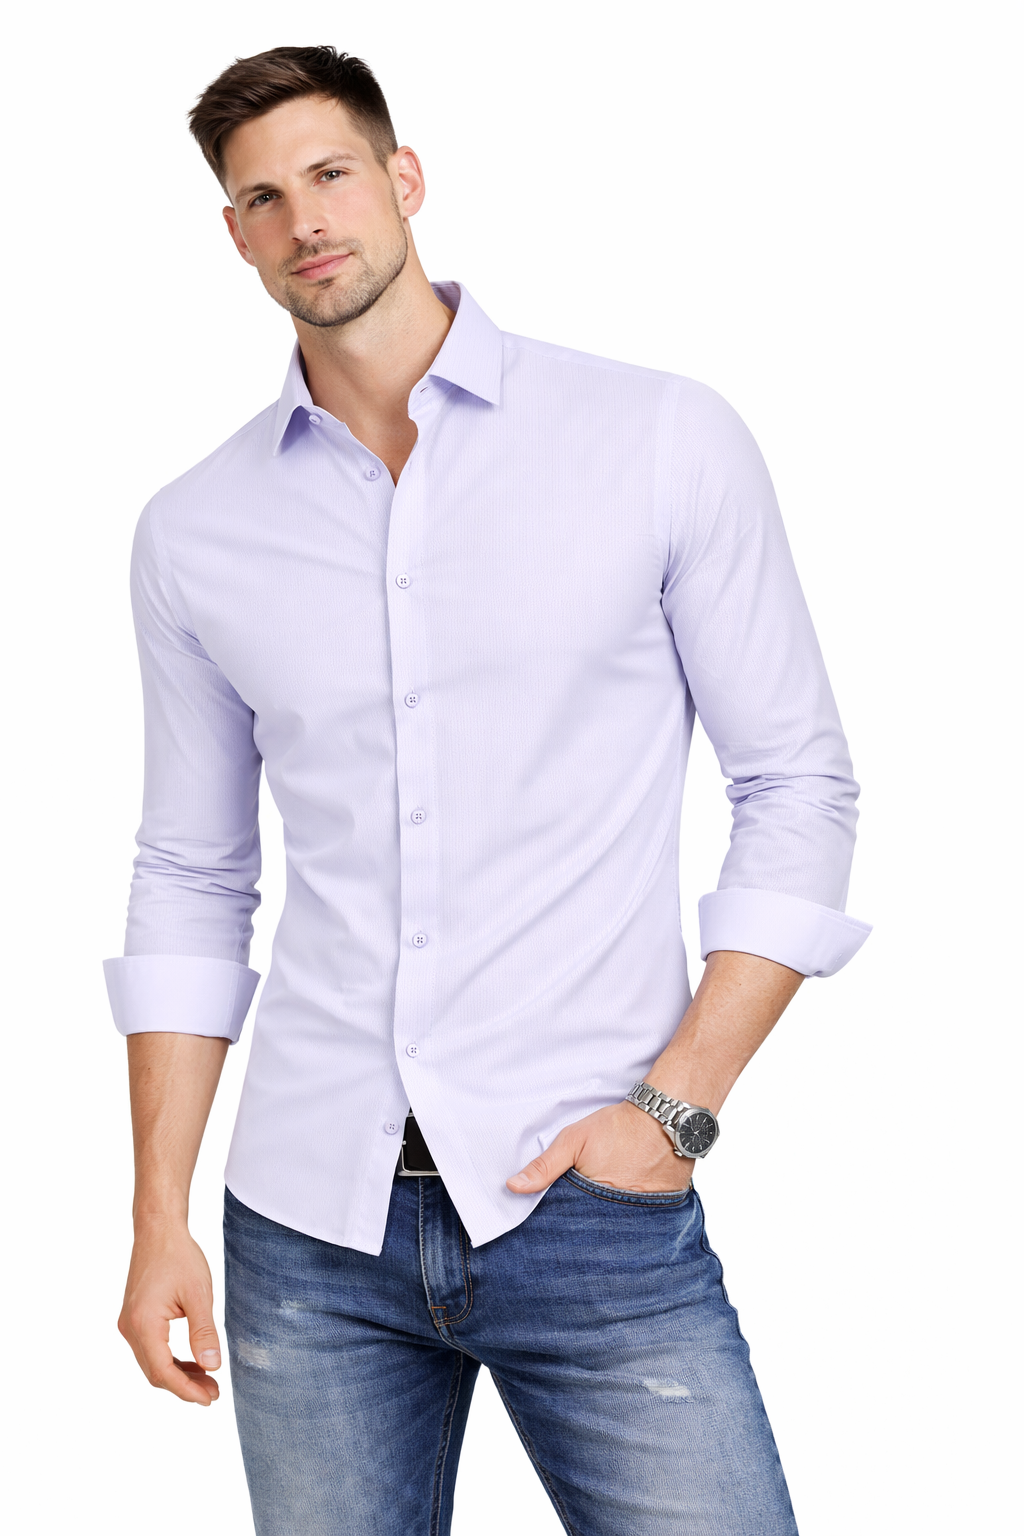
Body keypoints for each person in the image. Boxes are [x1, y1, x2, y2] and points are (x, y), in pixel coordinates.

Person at [105, 45, 870, 1536]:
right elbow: (192, 874)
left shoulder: (656, 438)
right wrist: (157, 1218)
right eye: (262, 198)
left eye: (331, 174)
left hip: (589, 1202)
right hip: (306, 1230)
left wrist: (676, 1111)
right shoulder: (195, 532)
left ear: (404, 179)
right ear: (235, 236)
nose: (305, 219)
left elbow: (798, 784)